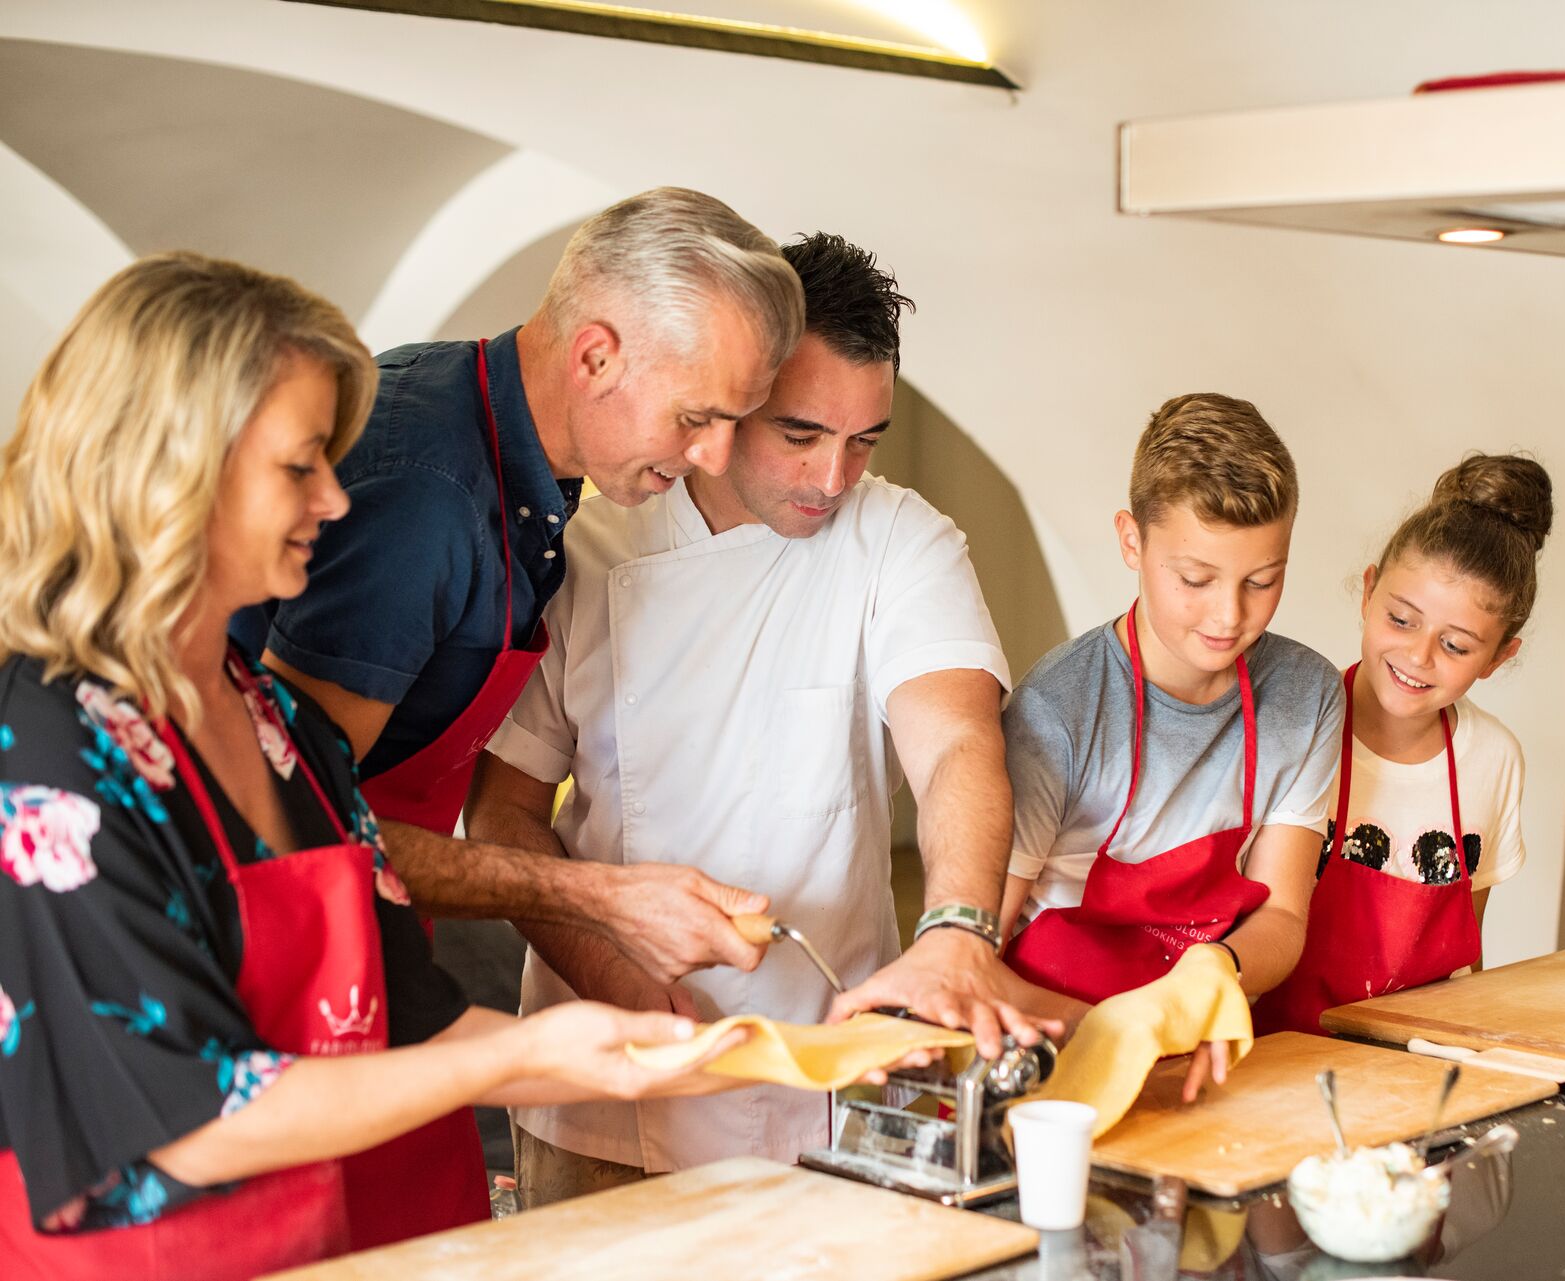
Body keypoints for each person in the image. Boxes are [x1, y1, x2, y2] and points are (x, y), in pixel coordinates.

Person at [0, 254, 753, 1280]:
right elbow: (180, 1116)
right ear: (175, 462)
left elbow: (407, 1012)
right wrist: (527, 1053)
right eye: (301, 466)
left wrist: (636, 1053)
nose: (337, 502)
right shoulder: (43, 747)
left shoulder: (270, 718)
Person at [232, 188, 805, 1243]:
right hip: (285, 977)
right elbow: (305, 827)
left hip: (379, 942)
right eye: (698, 418)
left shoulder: (516, 454)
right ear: (594, 357)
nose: (716, 457)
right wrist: (602, 899)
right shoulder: (427, 500)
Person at [470, 233, 1057, 1204]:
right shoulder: (591, 544)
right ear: (734, 394)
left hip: (829, 1080)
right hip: (612, 1089)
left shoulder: (899, 540)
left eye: (863, 440)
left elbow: (955, 740)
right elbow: (501, 818)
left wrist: (958, 928)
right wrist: (615, 976)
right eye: (800, 434)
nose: (833, 478)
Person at [997, 393, 1344, 1096]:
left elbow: (1281, 914)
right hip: (1053, 1059)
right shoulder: (1059, 710)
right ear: (1132, 540)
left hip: (1198, 1062)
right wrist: (1109, 1037)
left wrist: (1217, 971)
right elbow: (971, 949)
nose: (1230, 615)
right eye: (1195, 579)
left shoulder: (1307, 695)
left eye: (1263, 580)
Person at [1254, 453, 1550, 1036]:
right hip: (1275, 1060)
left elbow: (1468, 954)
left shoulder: (1494, 760)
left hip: (1418, 1069)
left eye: (1458, 646)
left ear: (1498, 658)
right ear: (1368, 593)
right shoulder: (1289, 732)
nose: (1418, 657)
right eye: (1402, 619)